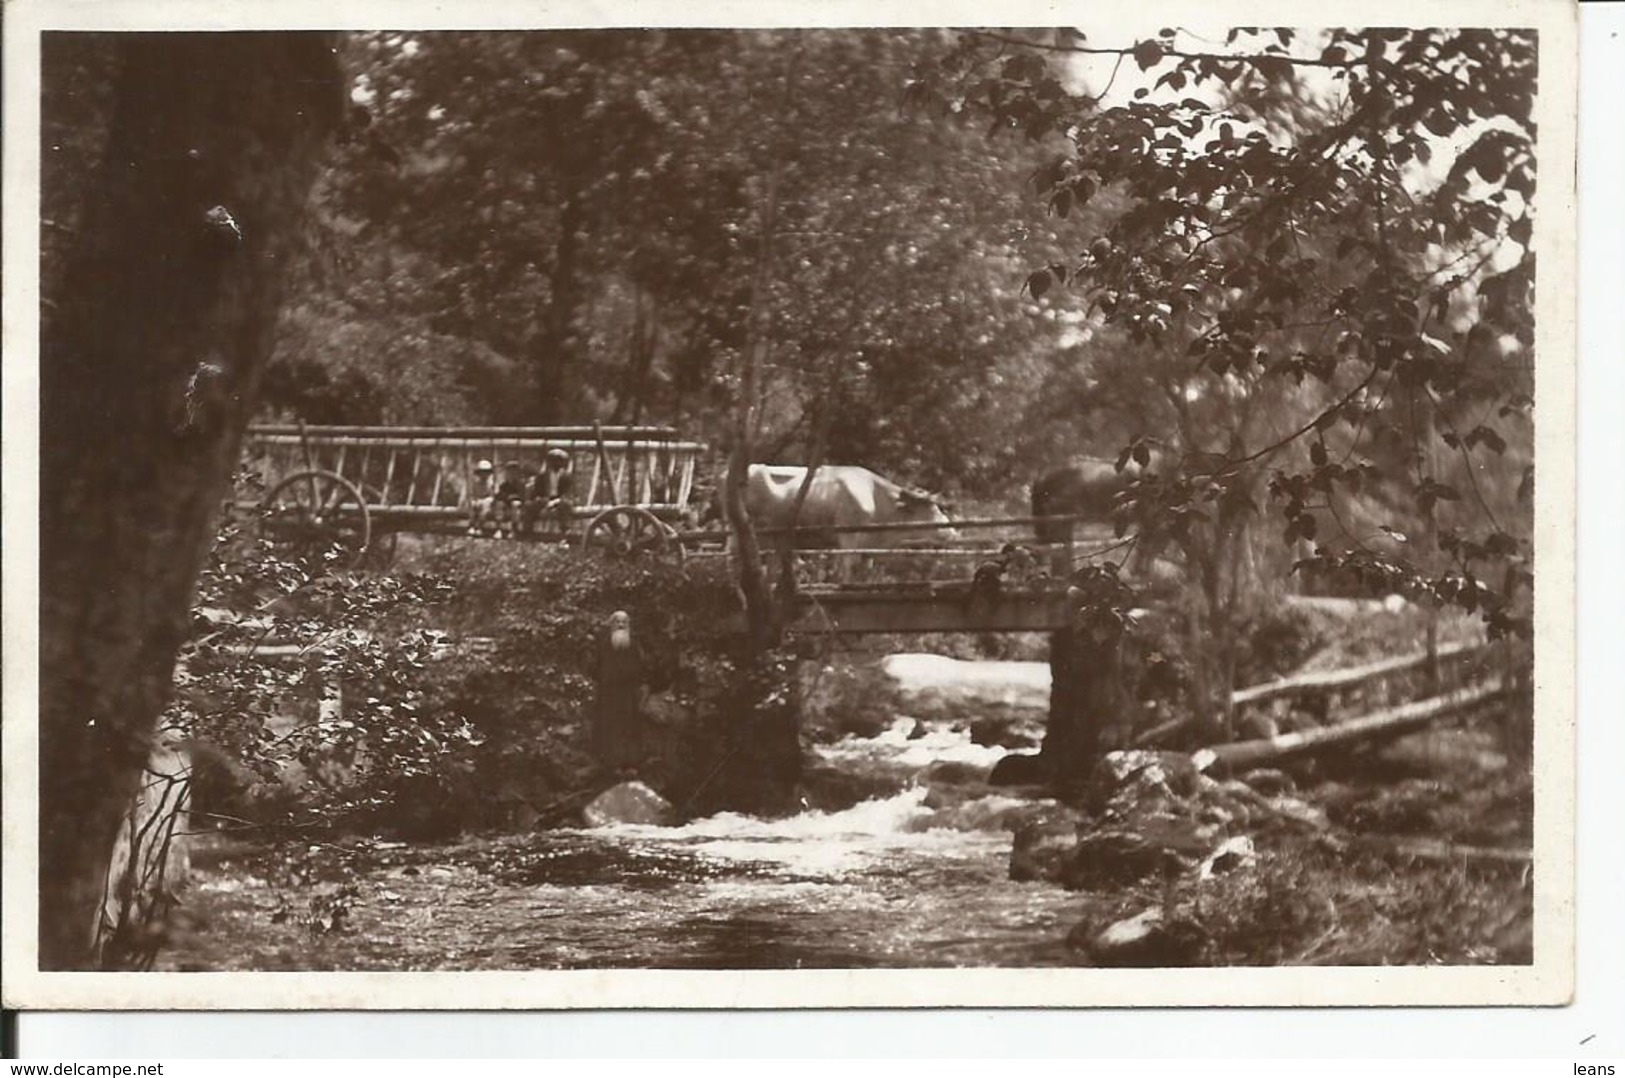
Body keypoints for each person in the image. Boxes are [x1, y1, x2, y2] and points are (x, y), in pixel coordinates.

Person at [524, 447, 575, 538]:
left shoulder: (566, 476)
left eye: (559, 460)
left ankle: (565, 533)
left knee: (565, 505)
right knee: (531, 507)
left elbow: (568, 492)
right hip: (545, 498)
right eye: (553, 460)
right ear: (549, 462)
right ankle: (527, 532)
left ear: (562, 463)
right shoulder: (542, 476)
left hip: (560, 499)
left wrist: (556, 501)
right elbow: (537, 491)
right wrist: (541, 498)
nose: (556, 463)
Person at [491, 460, 528, 538]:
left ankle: (514, 530)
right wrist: (507, 497)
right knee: (499, 504)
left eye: (514, 471)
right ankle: (499, 529)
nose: (512, 473)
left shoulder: (521, 484)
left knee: (515, 504)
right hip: (507, 503)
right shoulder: (504, 485)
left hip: (518, 505)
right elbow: (499, 496)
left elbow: (523, 496)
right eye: (510, 471)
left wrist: (512, 497)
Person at [467, 459, 497, 536]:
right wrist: (475, 500)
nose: (484, 474)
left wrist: (483, 500)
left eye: (486, 472)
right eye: (482, 472)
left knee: (484, 506)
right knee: (472, 505)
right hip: (478, 500)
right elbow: (473, 494)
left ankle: (480, 527)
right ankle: (472, 525)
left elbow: (493, 496)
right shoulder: (476, 483)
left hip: (488, 502)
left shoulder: (492, 483)